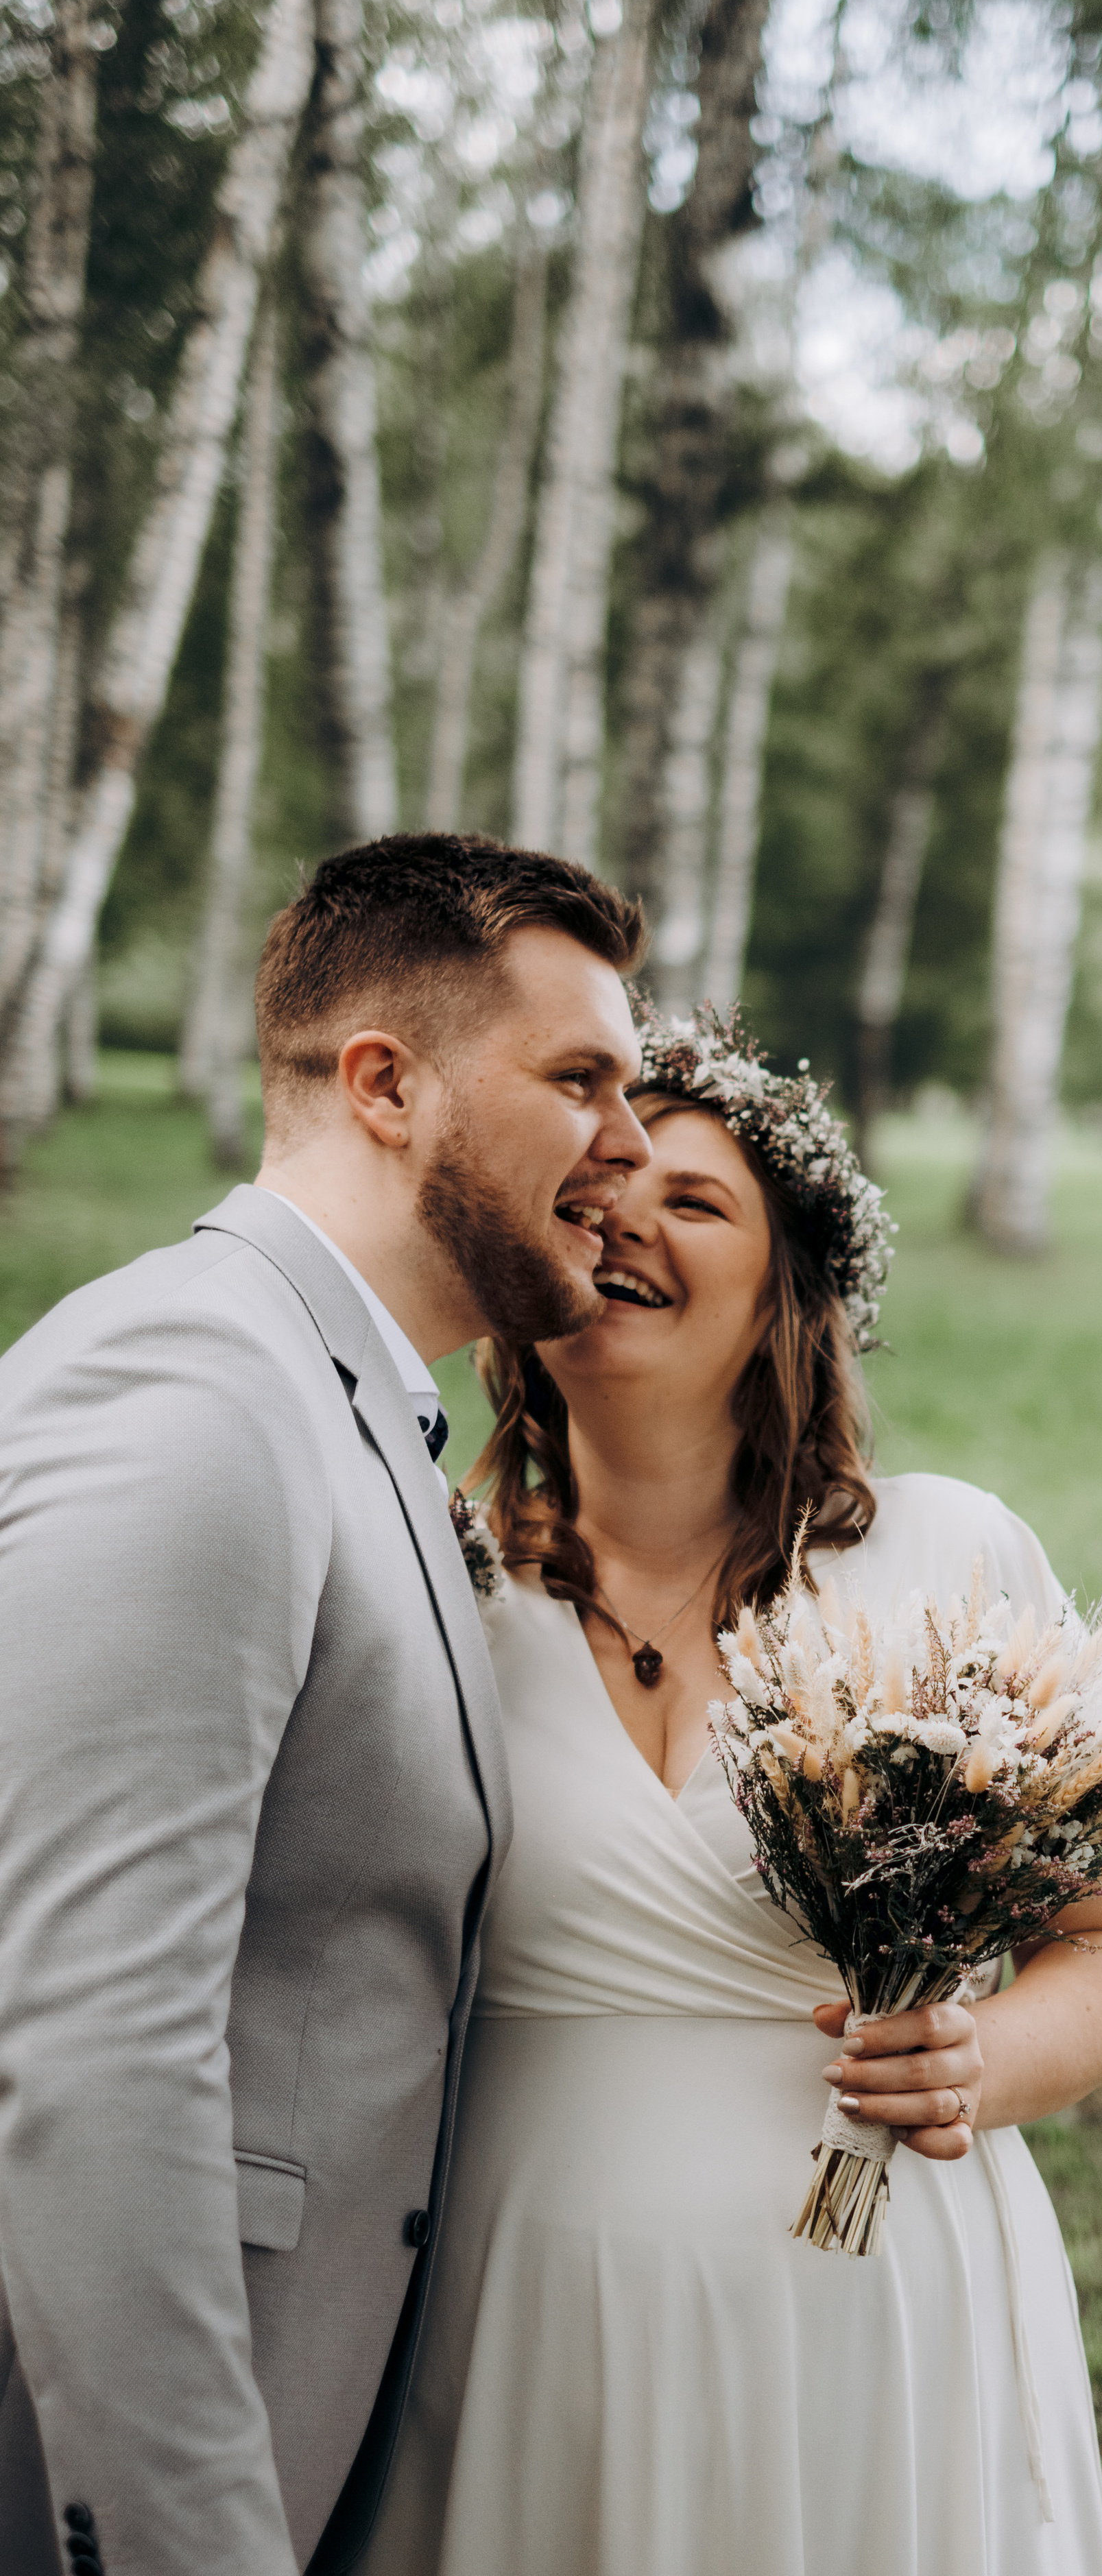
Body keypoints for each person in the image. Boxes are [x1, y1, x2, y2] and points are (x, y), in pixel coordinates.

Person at [363, 1007, 1102, 2576]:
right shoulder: (433, 1586)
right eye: (589, 1192)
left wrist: (975, 2063)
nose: (625, 1225)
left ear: (786, 1293)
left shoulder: (943, 1562)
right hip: (513, 2308)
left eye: (693, 1199)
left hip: (869, 2307)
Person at [0, 836, 651, 2576]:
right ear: (383, 1082)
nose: (633, 1150)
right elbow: (87, 2049)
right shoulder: (197, 1392)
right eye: (580, 1080)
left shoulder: (342, 1394)